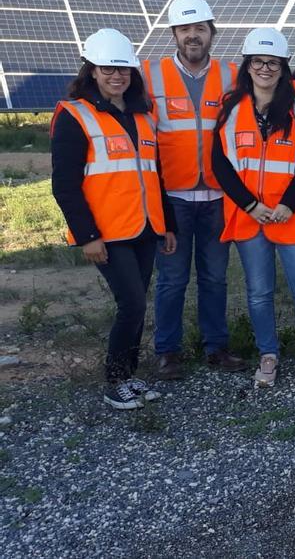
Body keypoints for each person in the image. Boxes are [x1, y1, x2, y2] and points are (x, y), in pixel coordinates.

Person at [50, 29, 177, 409]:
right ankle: (115, 380)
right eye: (107, 69)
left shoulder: (142, 114)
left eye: (123, 69)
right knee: (133, 305)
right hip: (107, 232)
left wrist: (167, 223)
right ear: (91, 70)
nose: (116, 76)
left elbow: (156, 174)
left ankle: (129, 375)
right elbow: (65, 185)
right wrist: (87, 235)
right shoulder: (74, 115)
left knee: (137, 303)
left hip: (144, 227)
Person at [212, 28, 295, 386]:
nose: (265, 68)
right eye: (259, 61)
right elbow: (220, 164)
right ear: (247, 65)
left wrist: (289, 204)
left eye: (273, 62)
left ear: (283, 67)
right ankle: (268, 354)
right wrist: (250, 205)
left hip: (293, 215)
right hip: (251, 218)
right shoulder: (229, 108)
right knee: (259, 292)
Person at [143, 0, 244, 379]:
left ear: (211, 33)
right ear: (174, 34)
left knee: (216, 276)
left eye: (199, 28)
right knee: (171, 278)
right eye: (185, 29)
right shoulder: (148, 75)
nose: (193, 36)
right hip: (172, 197)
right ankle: (167, 351)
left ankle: (215, 346)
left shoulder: (232, 75)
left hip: (219, 195)